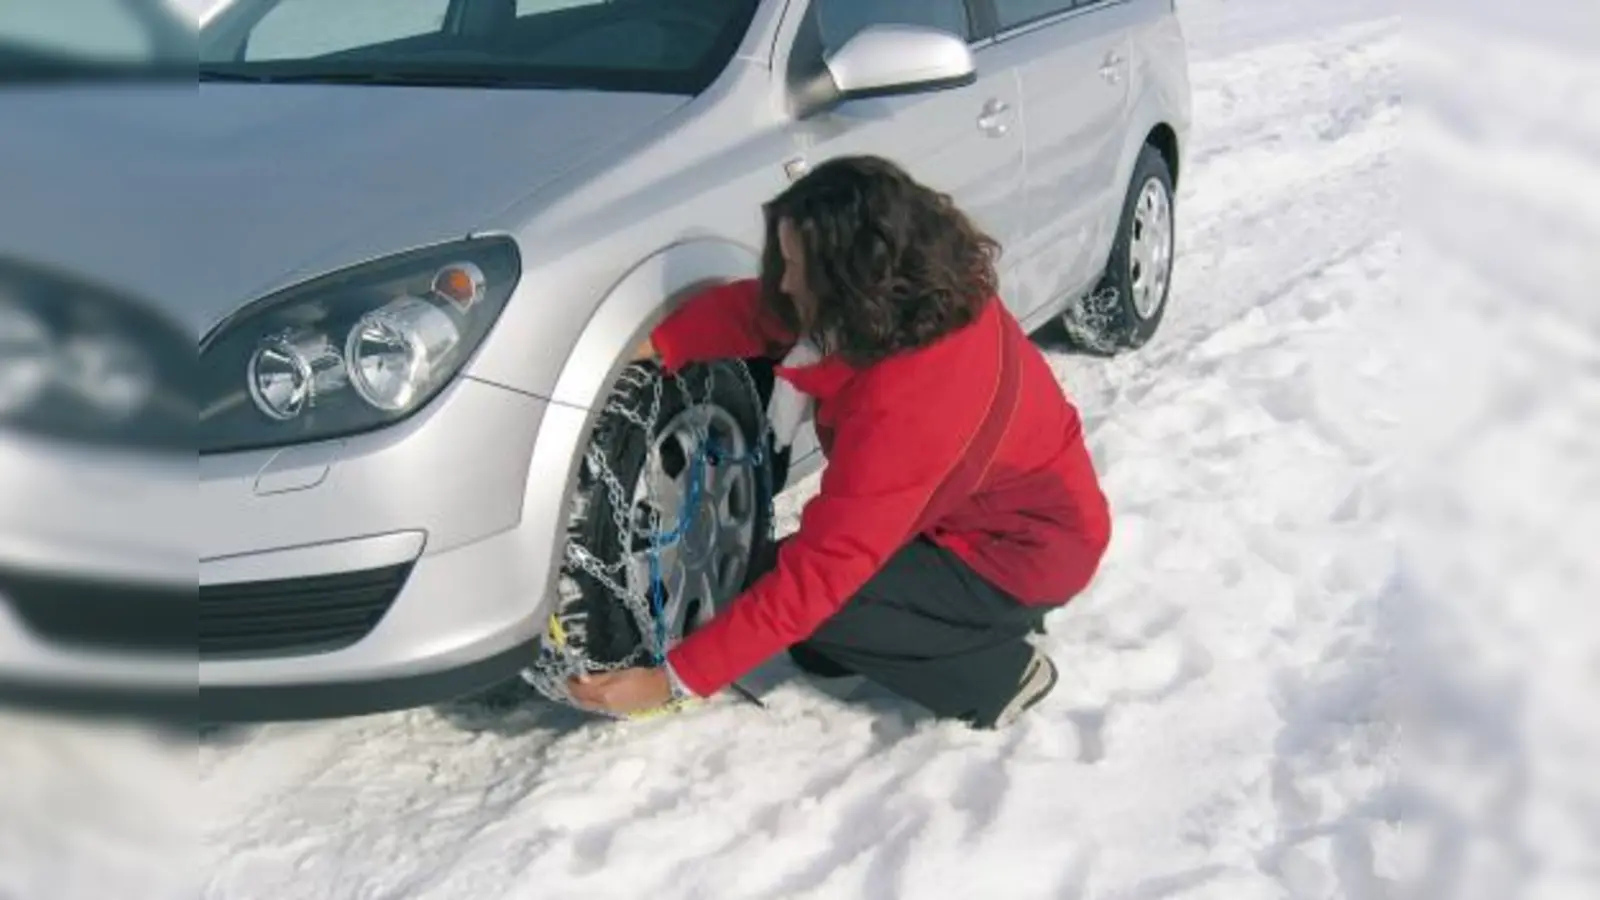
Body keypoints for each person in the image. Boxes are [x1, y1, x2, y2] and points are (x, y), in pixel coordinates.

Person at [568, 155, 1112, 729]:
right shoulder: (918, 297)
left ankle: (1000, 676)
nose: (785, 281)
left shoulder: (913, 406)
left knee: (821, 605)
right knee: (784, 595)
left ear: (853, 280)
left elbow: (823, 573)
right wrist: (656, 344)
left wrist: (669, 683)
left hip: (1024, 556)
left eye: (797, 268)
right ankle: (898, 631)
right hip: (965, 520)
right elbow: (767, 313)